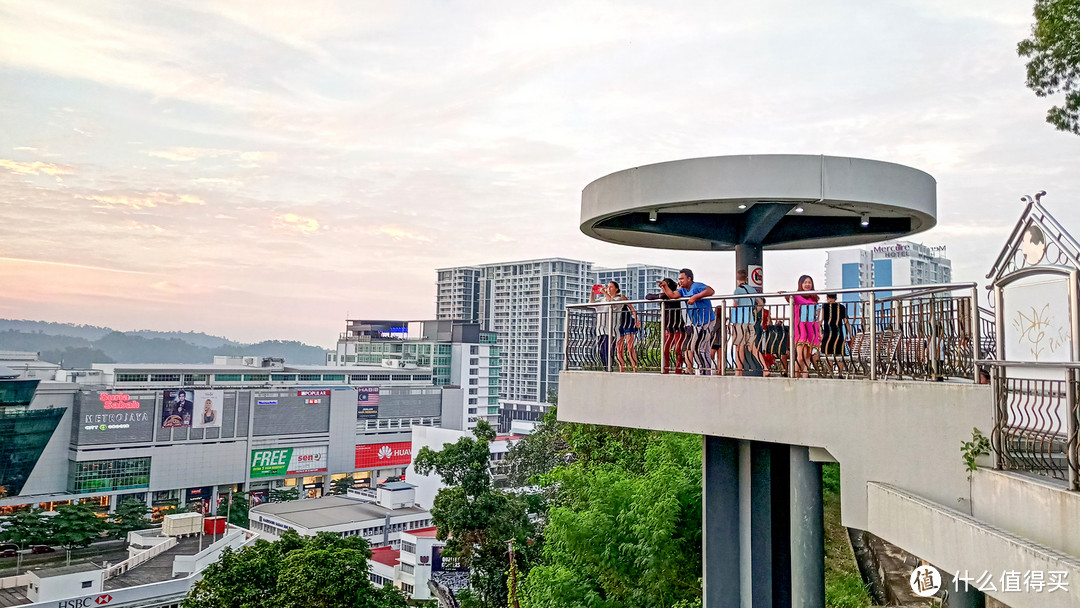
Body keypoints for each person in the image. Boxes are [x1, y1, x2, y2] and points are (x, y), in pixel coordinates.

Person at [661, 268, 715, 374]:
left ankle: (705, 370)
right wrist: (665, 286)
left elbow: (711, 291)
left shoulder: (697, 286)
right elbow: (672, 295)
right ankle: (703, 369)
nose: (680, 281)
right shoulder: (683, 290)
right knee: (697, 347)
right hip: (696, 322)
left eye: (682, 278)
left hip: (706, 320)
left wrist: (695, 297)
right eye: (679, 279)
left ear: (689, 278)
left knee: (699, 346)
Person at [646, 278, 687, 373]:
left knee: (678, 351)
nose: (662, 289)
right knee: (665, 350)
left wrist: (662, 296)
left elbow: (667, 296)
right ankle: (665, 369)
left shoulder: (676, 295)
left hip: (678, 327)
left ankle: (679, 370)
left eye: (664, 286)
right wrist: (661, 295)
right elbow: (648, 296)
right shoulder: (664, 296)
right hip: (668, 328)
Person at [790, 275, 821, 378]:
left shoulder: (814, 298)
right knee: (800, 357)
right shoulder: (796, 296)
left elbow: (817, 316)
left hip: (812, 328)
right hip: (801, 328)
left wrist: (819, 331)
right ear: (801, 284)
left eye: (809, 282)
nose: (807, 284)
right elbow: (788, 297)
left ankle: (805, 376)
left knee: (808, 356)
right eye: (805, 282)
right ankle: (794, 376)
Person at [730, 269, 759, 376]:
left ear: (737, 278)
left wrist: (731, 320)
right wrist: (754, 311)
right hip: (750, 319)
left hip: (739, 320)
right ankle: (765, 367)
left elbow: (735, 306)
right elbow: (760, 303)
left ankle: (739, 370)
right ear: (747, 277)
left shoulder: (737, 290)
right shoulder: (752, 289)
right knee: (752, 346)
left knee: (739, 345)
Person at [608, 281, 640, 372]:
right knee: (619, 347)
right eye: (608, 287)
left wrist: (636, 319)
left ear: (616, 289)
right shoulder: (608, 299)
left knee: (630, 347)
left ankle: (635, 368)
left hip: (627, 321)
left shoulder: (621, 297)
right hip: (617, 324)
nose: (609, 288)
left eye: (611, 287)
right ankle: (621, 368)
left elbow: (631, 308)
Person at [820, 293, 853, 377]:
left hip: (828, 332)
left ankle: (831, 373)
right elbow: (846, 321)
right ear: (836, 298)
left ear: (827, 297)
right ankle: (840, 374)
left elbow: (821, 320)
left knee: (828, 353)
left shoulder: (825, 306)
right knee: (839, 354)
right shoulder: (841, 307)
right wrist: (850, 334)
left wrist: (820, 332)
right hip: (838, 333)